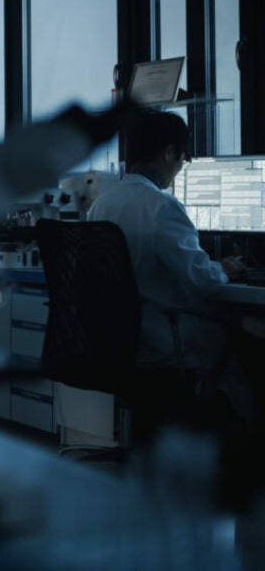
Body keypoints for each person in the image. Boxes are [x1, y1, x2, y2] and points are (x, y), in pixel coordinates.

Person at [86, 109, 251, 418]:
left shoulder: (100, 205)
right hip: (163, 340)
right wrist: (225, 269)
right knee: (244, 346)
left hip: (116, 342)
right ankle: (237, 441)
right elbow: (205, 281)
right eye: (182, 160)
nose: (179, 169)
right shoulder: (162, 206)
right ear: (169, 153)